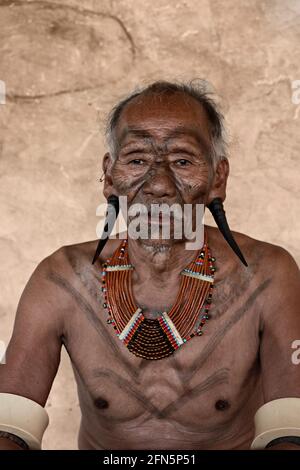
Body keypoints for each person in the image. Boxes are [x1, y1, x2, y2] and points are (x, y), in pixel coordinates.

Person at [0, 80, 300, 451]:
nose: (158, 184)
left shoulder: (266, 276)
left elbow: (291, 432)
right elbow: (8, 427)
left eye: (183, 161)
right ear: (109, 176)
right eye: (138, 159)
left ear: (217, 178)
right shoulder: (62, 279)